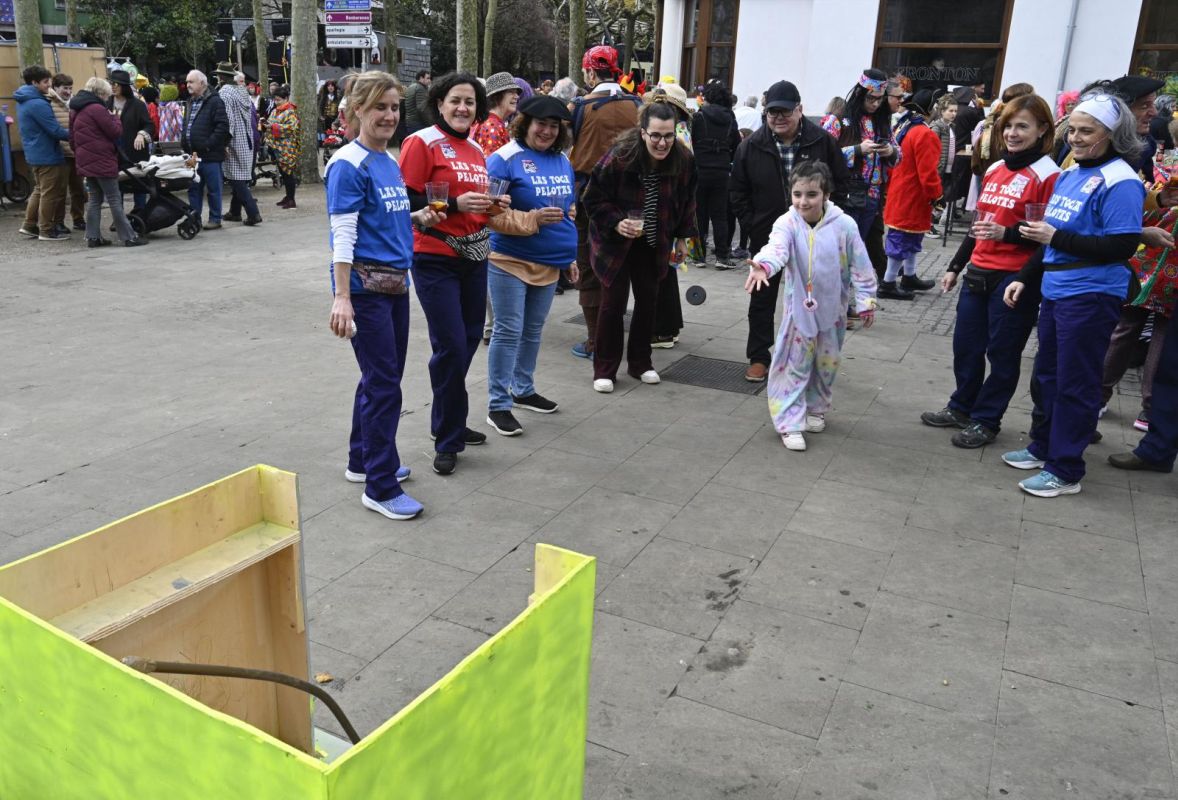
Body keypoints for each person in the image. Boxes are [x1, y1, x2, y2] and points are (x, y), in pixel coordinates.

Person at [1001, 93, 1145, 497]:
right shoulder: (1072, 173)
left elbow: (1121, 246)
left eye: (1087, 131)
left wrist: (1056, 238)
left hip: (1091, 293)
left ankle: (1065, 469)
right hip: (1057, 288)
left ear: (1111, 135)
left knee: (1075, 382)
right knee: (1047, 375)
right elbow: (1050, 237)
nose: (1076, 138)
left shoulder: (1121, 180)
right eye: (1073, 130)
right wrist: (1026, 276)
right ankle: (1043, 446)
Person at [326, 71, 445, 521]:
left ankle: (363, 461)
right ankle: (380, 485)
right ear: (357, 109)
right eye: (380, 107)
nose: (390, 115)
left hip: (395, 285)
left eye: (394, 107)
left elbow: (381, 216)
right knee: (384, 386)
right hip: (366, 290)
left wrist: (417, 217)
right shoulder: (348, 164)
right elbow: (343, 233)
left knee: (379, 378)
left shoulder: (387, 160)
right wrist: (342, 297)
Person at [922, 93, 1061, 448]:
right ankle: (961, 407)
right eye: (1008, 126)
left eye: (1022, 126)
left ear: (1042, 129)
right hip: (978, 271)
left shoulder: (1049, 175)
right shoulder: (996, 168)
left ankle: (986, 419)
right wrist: (955, 265)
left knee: (1003, 353)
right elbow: (980, 225)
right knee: (966, 346)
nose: (1012, 133)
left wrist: (1007, 235)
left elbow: (1047, 236)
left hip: (1016, 277)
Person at [399, 72, 499, 476]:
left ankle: (449, 417)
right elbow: (405, 198)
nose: (462, 108)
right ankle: (447, 438)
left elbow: (473, 203)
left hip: (475, 255)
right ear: (439, 103)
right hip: (434, 256)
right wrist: (456, 204)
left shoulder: (475, 148)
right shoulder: (421, 142)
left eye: (470, 102)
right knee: (451, 345)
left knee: (469, 340)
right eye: (455, 100)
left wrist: (492, 205)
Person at [745, 161, 878, 450]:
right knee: (793, 364)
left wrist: (866, 299)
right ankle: (789, 422)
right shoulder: (787, 223)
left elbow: (861, 264)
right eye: (797, 194)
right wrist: (764, 265)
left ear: (826, 194)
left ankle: (816, 408)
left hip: (833, 310)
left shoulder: (845, 225)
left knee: (826, 364)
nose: (803, 202)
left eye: (811, 194)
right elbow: (776, 248)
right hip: (799, 311)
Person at [731, 79, 851, 382]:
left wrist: (827, 221)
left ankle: (808, 358)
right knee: (761, 295)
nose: (778, 118)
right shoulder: (751, 146)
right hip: (768, 233)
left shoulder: (822, 141)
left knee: (812, 297)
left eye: (785, 111)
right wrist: (752, 223)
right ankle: (759, 356)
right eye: (773, 112)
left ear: (799, 109)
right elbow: (737, 191)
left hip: (814, 234)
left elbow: (840, 182)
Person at [581, 102, 698, 393]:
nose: (662, 143)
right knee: (613, 304)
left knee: (649, 301)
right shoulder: (620, 155)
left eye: (668, 135)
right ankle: (605, 369)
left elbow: (687, 201)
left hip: (654, 240)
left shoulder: (683, 158)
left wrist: (682, 238)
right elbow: (592, 198)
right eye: (655, 135)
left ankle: (640, 363)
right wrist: (617, 222)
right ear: (643, 132)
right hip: (615, 243)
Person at [483, 95, 579, 435]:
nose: (547, 131)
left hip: (550, 262)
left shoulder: (562, 160)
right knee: (508, 330)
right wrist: (533, 220)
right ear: (525, 123)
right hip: (508, 259)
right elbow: (490, 214)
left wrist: (569, 256)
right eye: (541, 124)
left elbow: (567, 211)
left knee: (533, 330)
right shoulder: (503, 159)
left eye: (554, 126)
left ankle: (522, 389)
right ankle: (498, 405)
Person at [567, 45, 642, 360]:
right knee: (620, 267)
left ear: (589, 72)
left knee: (588, 265)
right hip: (629, 199)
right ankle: (618, 337)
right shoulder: (638, 105)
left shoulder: (578, 107)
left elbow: (565, 150)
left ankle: (595, 341)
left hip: (588, 199)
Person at [820, 68, 901, 283]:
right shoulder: (838, 120)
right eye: (871, 98)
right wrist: (857, 150)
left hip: (873, 196)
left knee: (858, 247)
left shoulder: (882, 122)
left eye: (880, 99)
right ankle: (833, 292)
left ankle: (848, 292)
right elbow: (823, 154)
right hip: (846, 194)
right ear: (859, 94)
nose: (875, 104)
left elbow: (898, 154)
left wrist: (890, 151)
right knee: (841, 249)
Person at [68, 77, 145, 248]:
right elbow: (115, 132)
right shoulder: (97, 109)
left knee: (95, 199)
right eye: (106, 94)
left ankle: (93, 237)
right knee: (114, 199)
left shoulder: (75, 109)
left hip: (85, 161)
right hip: (102, 160)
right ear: (100, 93)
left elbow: (71, 138)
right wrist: (115, 117)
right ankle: (128, 237)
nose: (107, 98)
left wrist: (82, 154)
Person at [880, 89, 942, 300]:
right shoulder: (924, 133)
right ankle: (888, 282)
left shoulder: (905, 126)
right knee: (901, 240)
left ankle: (909, 276)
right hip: (913, 194)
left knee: (912, 237)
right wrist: (936, 195)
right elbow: (928, 172)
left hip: (901, 190)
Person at [15, 65, 72, 241]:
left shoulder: (25, 99)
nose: (49, 85)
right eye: (46, 82)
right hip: (47, 154)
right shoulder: (38, 103)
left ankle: (29, 225)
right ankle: (46, 230)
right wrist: (78, 134)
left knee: (39, 190)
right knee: (49, 193)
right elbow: (55, 130)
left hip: (35, 152)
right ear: (34, 82)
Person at [692, 81, 741, 269]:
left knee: (700, 214)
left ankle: (699, 256)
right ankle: (722, 256)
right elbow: (736, 145)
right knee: (720, 216)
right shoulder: (730, 119)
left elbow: (691, 141)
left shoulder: (698, 117)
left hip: (700, 170)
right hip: (721, 172)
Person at [215, 62, 262, 226]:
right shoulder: (242, 91)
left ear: (221, 77)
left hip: (233, 139)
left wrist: (224, 143)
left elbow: (228, 120)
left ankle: (253, 213)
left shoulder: (224, 93)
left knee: (237, 180)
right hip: (247, 138)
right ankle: (235, 212)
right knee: (239, 175)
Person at [181, 70, 230, 228]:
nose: (187, 85)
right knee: (193, 189)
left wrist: (208, 144)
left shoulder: (215, 101)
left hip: (210, 155)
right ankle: (195, 219)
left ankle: (215, 219)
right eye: (187, 82)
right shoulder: (190, 101)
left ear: (202, 83)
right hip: (192, 155)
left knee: (213, 189)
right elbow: (187, 124)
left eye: (191, 82)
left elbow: (222, 126)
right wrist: (184, 142)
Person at [107, 70, 153, 214]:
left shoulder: (137, 105)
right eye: (111, 83)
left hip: (134, 151)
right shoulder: (106, 103)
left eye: (117, 84)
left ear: (124, 86)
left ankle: (140, 215)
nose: (113, 86)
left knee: (138, 185)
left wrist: (141, 134)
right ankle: (119, 218)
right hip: (113, 152)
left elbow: (149, 125)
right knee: (116, 187)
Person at [48, 73, 85, 235]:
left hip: (75, 152)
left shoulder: (75, 103)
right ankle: (58, 222)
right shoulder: (49, 103)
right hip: (60, 153)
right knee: (60, 191)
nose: (68, 92)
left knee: (79, 189)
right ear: (55, 88)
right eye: (65, 88)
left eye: (70, 88)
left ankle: (78, 218)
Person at [267, 86, 302, 209]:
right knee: (284, 173)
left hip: (288, 147)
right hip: (277, 147)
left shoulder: (291, 111)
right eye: (275, 100)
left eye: (279, 100)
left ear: (286, 98)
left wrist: (274, 127)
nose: (277, 102)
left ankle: (291, 199)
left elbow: (292, 127)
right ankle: (288, 196)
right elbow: (271, 122)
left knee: (288, 173)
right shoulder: (275, 111)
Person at [473, 73, 520, 159]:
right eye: (511, 92)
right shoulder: (492, 125)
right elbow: (492, 163)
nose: (516, 96)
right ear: (496, 96)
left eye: (516, 92)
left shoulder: (491, 121)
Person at [929, 92, 958, 228]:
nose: (954, 114)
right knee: (934, 197)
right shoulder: (937, 127)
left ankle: (931, 222)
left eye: (955, 111)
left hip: (947, 168)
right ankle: (928, 225)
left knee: (941, 197)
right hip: (938, 168)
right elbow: (931, 149)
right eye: (950, 111)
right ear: (942, 111)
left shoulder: (951, 126)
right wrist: (937, 165)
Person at [402, 70, 431, 134]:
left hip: (410, 122)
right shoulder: (420, 88)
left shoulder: (411, 86)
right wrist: (430, 122)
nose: (429, 80)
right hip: (418, 123)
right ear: (421, 78)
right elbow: (422, 108)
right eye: (428, 78)